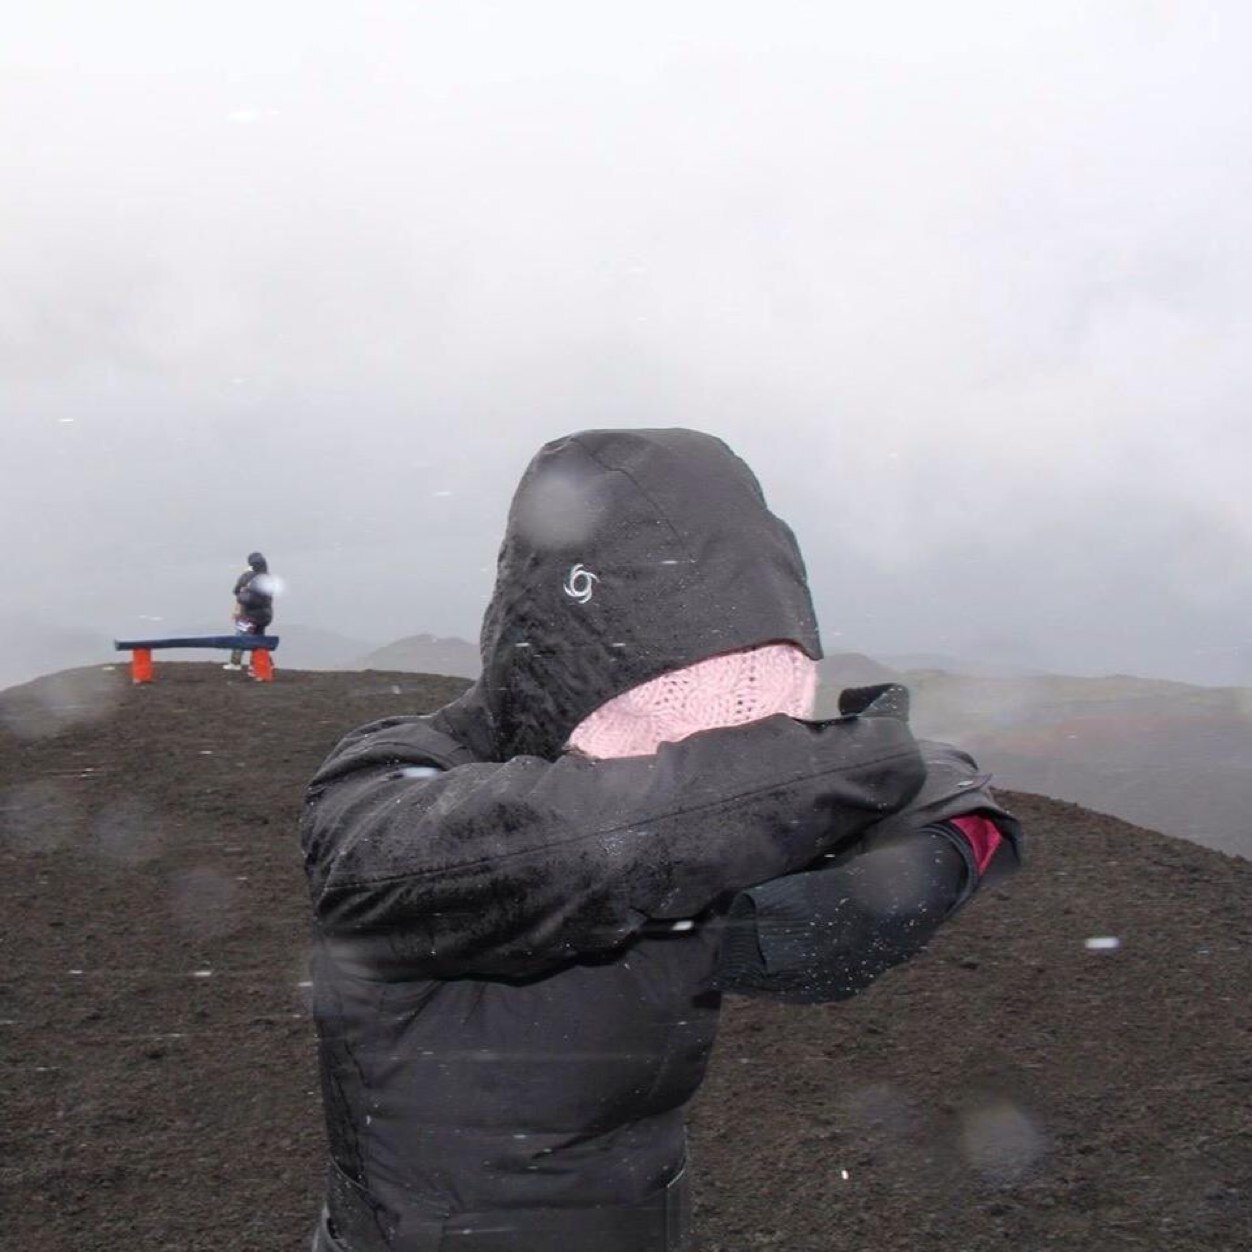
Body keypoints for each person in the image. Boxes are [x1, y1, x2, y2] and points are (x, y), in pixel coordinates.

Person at [300, 429, 1022, 1252]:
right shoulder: (388, 782)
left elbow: (939, 800)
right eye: (688, 732)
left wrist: (938, 843)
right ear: (581, 674)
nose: (715, 762)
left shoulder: (705, 821)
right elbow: (553, 848)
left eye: (759, 728)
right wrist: (828, 771)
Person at [225, 551, 274, 672]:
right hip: (265, 616)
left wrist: (242, 592)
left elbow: (238, 592)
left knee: (240, 636)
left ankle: (235, 663)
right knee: (259, 639)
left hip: (249, 615)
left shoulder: (248, 576)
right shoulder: (268, 578)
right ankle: (259, 664)